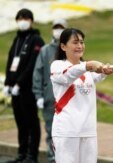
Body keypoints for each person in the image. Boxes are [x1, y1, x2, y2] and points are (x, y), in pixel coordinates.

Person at [50, 28, 113, 163]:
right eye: (75, 42)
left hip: (88, 131)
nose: (80, 46)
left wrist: (105, 71)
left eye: (81, 42)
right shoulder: (57, 66)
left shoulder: (86, 71)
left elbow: (97, 75)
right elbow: (68, 75)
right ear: (63, 46)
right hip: (67, 131)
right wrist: (88, 65)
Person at [3, 8, 44, 163]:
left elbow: (32, 64)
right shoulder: (17, 39)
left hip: (27, 89)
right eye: (20, 18)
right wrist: (8, 83)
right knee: (20, 122)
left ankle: (31, 156)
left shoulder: (36, 40)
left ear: (31, 20)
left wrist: (19, 83)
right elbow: (10, 61)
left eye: (25, 18)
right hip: (14, 90)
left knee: (31, 122)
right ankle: (22, 154)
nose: (23, 21)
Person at [32, 18, 67, 163]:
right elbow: (37, 73)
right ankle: (53, 159)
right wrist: (38, 95)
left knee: (66, 132)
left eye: (61, 28)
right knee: (51, 131)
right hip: (49, 98)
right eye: (56, 28)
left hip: (66, 99)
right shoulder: (45, 50)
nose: (58, 30)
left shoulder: (69, 50)